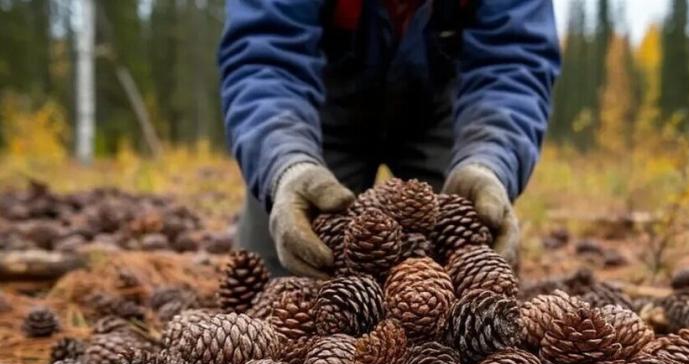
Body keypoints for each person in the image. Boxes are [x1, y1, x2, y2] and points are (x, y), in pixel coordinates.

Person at [219, 0, 560, 277]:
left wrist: (490, 161)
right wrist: (285, 162)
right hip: (320, 110)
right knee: (276, 276)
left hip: (447, 113)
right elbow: (266, 55)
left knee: (469, 270)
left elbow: (514, 61)